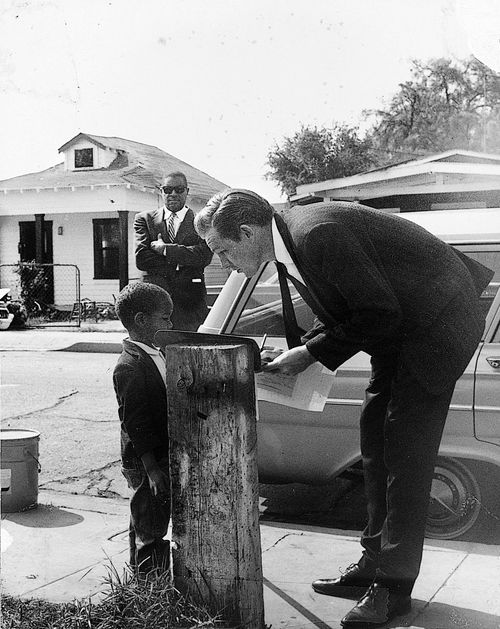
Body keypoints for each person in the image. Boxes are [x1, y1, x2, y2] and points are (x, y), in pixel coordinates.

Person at [194, 189, 493, 628]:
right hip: (404, 325)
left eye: (222, 250)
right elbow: (352, 305)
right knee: (376, 444)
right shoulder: (290, 240)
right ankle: (373, 564)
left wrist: (310, 354)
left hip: (436, 326)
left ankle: (394, 590)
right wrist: (311, 350)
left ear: (246, 231)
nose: (222, 262)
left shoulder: (317, 234)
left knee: (405, 457)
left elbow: (378, 314)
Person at [113, 281, 173, 575]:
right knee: (150, 530)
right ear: (141, 320)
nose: (170, 323)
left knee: (144, 521)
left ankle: (143, 583)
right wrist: (152, 469)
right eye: (165, 317)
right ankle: (152, 590)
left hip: (154, 456)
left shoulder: (154, 353)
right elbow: (135, 423)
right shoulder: (130, 365)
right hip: (146, 460)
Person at [134, 171, 213, 331]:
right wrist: (184, 258)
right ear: (161, 191)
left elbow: (203, 257)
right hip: (154, 303)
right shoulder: (144, 219)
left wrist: (165, 250)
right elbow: (142, 259)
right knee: (156, 351)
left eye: (179, 189)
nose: (173, 194)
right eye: (168, 190)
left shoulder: (201, 222)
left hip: (190, 305)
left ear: (187, 191)